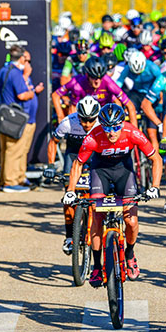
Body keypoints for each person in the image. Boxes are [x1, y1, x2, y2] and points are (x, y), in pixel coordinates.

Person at [63, 103, 162, 285]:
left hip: (124, 172)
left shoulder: (132, 132)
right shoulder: (93, 137)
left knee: (131, 221)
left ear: (122, 124)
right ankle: (96, 266)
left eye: (116, 127)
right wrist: (70, 190)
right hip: (100, 172)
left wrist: (155, 186)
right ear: (101, 125)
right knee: (97, 217)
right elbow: (78, 164)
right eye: (107, 127)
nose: (111, 132)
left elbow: (156, 158)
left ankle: (130, 254)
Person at [46, 96, 101, 254]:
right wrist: (51, 165)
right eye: (84, 120)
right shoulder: (68, 122)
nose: (87, 124)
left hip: (94, 155)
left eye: (91, 120)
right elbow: (53, 142)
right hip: (73, 155)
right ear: (78, 116)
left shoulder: (102, 123)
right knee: (69, 199)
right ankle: (70, 236)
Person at [0, 45, 45, 192]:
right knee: (13, 150)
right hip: (16, 119)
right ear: (22, 58)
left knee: (15, 150)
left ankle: (17, 178)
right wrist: (33, 92)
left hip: (6, 117)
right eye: (27, 60)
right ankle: (10, 182)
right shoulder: (16, 73)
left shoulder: (4, 70)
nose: (28, 64)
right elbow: (23, 95)